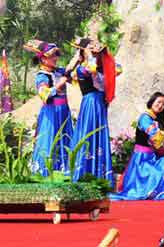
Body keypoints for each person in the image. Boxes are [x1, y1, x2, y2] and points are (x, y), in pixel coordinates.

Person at [112, 93, 164, 201]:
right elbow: (156, 139)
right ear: (152, 102)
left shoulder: (155, 119)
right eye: (159, 102)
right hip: (142, 160)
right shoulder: (145, 118)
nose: (161, 106)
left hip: (151, 157)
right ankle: (159, 191)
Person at [71, 37, 120, 182]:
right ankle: (83, 172)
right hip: (91, 103)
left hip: (100, 104)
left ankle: (100, 174)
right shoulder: (82, 68)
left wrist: (104, 53)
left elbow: (117, 68)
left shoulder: (99, 67)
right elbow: (90, 70)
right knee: (89, 133)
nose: (94, 52)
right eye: (89, 49)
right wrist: (90, 55)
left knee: (99, 134)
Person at [25, 40, 75, 176]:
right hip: (51, 113)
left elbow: (74, 75)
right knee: (49, 140)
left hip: (64, 111)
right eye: (52, 56)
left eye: (56, 55)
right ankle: (45, 173)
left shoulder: (59, 71)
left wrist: (80, 58)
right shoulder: (42, 76)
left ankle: (65, 170)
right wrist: (59, 84)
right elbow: (44, 95)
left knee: (66, 138)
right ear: (43, 59)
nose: (55, 58)